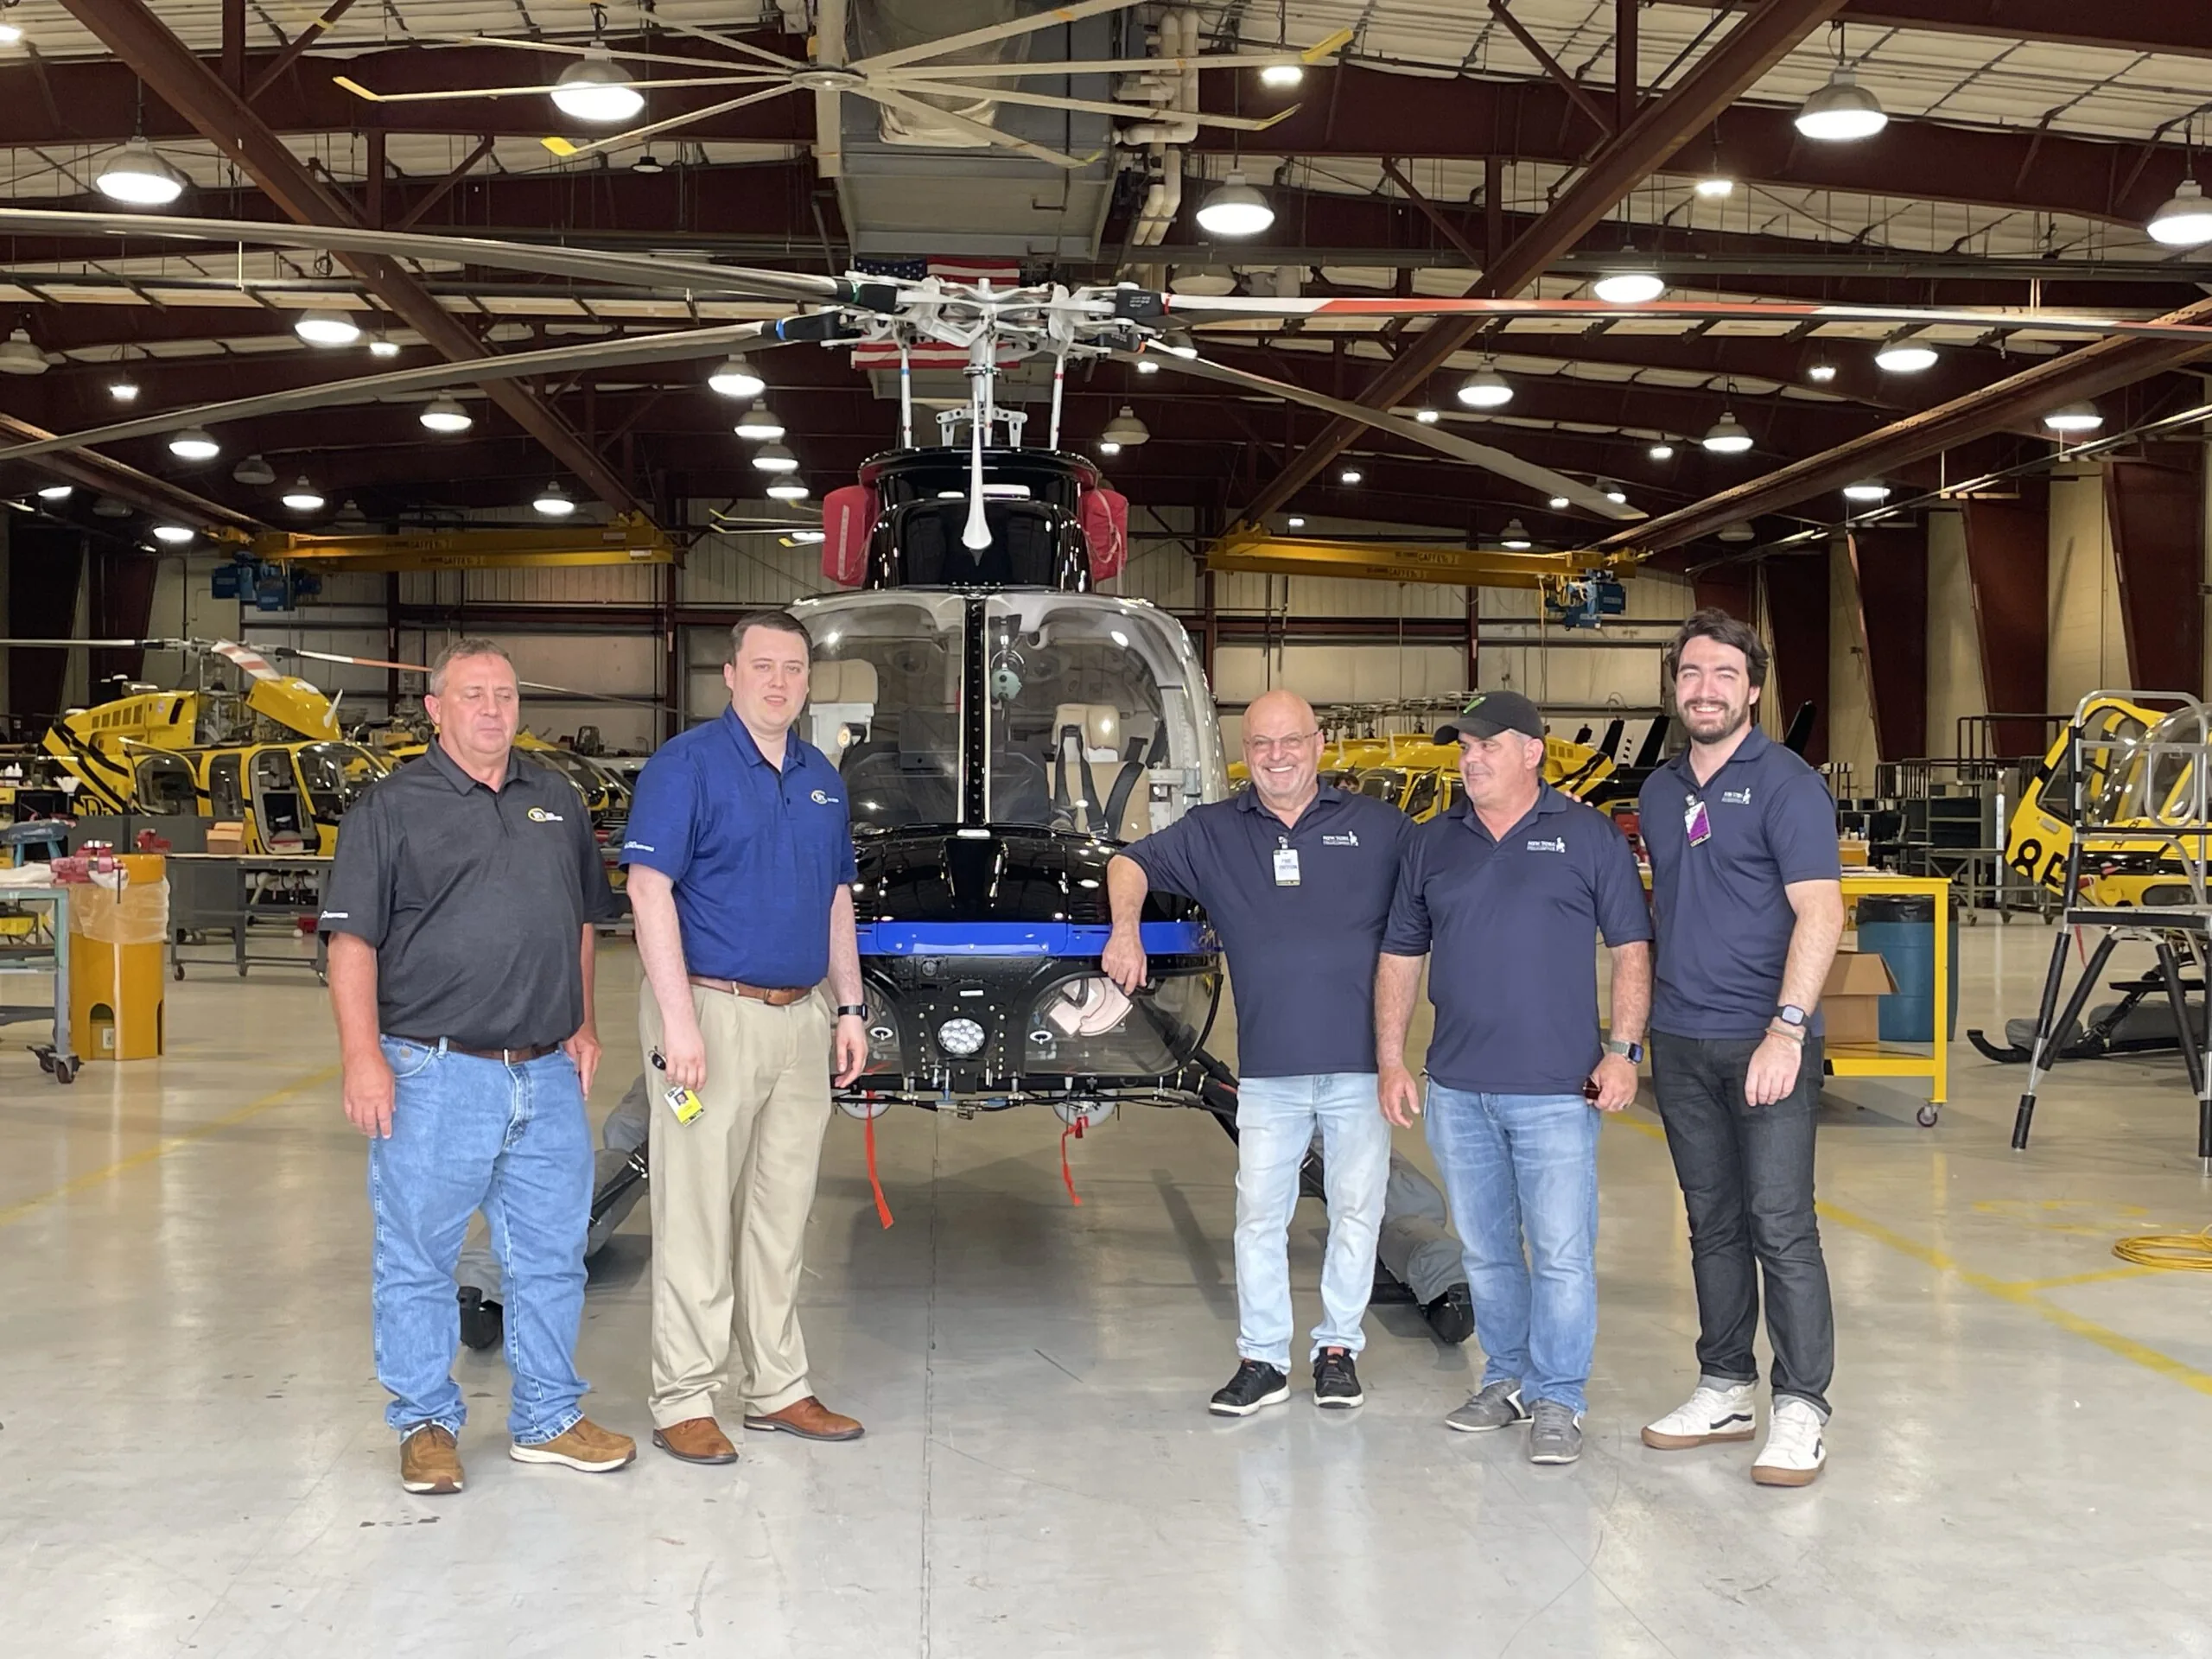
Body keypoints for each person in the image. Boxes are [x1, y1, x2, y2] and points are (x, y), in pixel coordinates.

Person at [323, 639, 632, 1496]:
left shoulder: (556, 800)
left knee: (549, 1256)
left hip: (543, 1075)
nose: (492, 710)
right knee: (419, 1256)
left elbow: (581, 921)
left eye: (503, 695)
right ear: (436, 707)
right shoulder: (390, 807)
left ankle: (545, 1418)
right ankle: (425, 1422)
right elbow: (352, 941)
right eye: (472, 695)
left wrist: (583, 1022)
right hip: (433, 1072)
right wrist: (361, 1058)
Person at [1104, 688, 1410, 1415]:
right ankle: (1265, 1360)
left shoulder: (1381, 828)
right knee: (1258, 1217)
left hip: (1362, 1067)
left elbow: (1443, 894)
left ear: (1319, 745)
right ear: (1247, 756)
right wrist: (1125, 931)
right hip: (1270, 1072)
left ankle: (1339, 1349)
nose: (1277, 757)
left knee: (1357, 1211)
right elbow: (1128, 864)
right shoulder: (1215, 831)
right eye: (1262, 745)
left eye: (1291, 742)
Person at [1376, 690, 1651, 1465]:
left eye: (1487, 746)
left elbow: (1631, 947)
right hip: (1458, 1089)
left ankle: (1559, 1395)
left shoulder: (1589, 837)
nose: (1471, 760)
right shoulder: (1435, 844)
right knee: (1489, 1251)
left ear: (1532, 751)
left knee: (1562, 1251)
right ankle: (1506, 1379)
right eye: (1464, 748)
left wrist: (1623, 1051)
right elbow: (1401, 955)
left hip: (1559, 1092)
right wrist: (1393, 1059)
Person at [621, 608, 870, 1465]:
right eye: (761, 666)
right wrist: (679, 1025)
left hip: (800, 1019)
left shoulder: (821, 779)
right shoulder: (684, 766)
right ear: (729, 675)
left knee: (780, 1213)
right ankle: (685, 1395)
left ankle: (776, 1388)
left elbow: (838, 897)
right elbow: (649, 893)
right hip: (708, 1014)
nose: (778, 682)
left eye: (793, 669)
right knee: (694, 1209)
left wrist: (848, 1006)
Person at [1637, 609, 1844, 1488]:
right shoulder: (1657, 792)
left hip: (1766, 1044)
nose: (1706, 689)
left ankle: (1801, 1407)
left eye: (1724, 674)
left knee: (1780, 1225)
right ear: (1676, 686)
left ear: (1752, 689)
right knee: (1711, 1225)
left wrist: (1786, 1029)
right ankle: (1724, 1384)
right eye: (1691, 674)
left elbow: (1821, 912)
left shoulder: (1788, 784)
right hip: (1680, 1042)